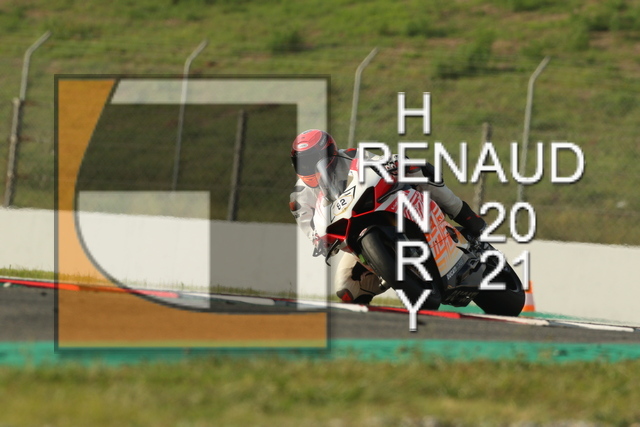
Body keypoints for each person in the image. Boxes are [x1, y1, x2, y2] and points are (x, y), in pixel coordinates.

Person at [289, 129, 486, 304]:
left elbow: (377, 165)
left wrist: (392, 163)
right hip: (353, 237)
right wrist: (319, 240)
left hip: (378, 206)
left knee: (418, 169)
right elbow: (312, 231)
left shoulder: (350, 156)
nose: (310, 167)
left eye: (315, 159)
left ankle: (467, 216)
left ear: (330, 152)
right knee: (347, 290)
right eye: (303, 163)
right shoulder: (299, 198)